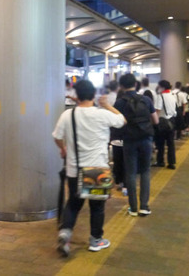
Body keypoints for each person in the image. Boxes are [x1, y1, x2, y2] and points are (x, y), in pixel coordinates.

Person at [53, 80, 125, 256]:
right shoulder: (102, 114)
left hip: (74, 168)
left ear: (76, 96)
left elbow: (57, 136)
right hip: (97, 169)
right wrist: (107, 104)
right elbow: (122, 120)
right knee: (97, 207)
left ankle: (65, 232)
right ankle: (96, 240)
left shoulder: (67, 115)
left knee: (73, 204)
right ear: (93, 95)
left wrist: (63, 149)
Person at [114, 73, 158, 217]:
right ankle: (144, 206)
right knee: (145, 171)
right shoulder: (145, 99)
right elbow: (156, 121)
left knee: (131, 173)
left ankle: (133, 208)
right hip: (146, 139)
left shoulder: (119, 102)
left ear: (121, 86)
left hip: (129, 141)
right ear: (136, 84)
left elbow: (114, 121)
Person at [153, 80, 177, 169]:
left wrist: (154, 121)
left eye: (159, 86)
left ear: (162, 87)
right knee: (171, 143)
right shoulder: (172, 95)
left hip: (162, 122)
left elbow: (157, 111)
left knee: (160, 143)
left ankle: (160, 161)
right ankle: (171, 163)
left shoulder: (160, 96)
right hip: (172, 121)